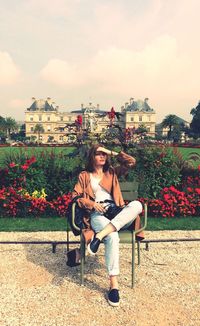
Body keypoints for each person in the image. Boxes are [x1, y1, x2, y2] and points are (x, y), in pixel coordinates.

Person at [72, 144, 143, 307]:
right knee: (112, 235)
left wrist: (111, 151)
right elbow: (75, 196)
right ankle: (114, 285)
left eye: (104, 154)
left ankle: (98, 236)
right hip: (98, 213)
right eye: (98, 154)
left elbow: (131, 161)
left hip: (117, 211)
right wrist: (91, 204)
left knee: (137, 205)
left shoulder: (112, 172)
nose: (102, 156)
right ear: (92, 157)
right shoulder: (84, 175)